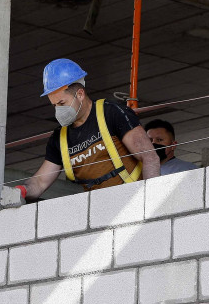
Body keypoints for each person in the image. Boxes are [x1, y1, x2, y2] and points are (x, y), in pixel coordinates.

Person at [16, 59, 160, 200]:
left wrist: (150, 202)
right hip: (98, 212)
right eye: (54, 105)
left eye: (62, 103)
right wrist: (21, 191)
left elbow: (149, 157)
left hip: (132, 200)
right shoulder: (60, 138)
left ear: (80, 94)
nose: (59, 110)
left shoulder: (111, 113)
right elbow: (40, 182)